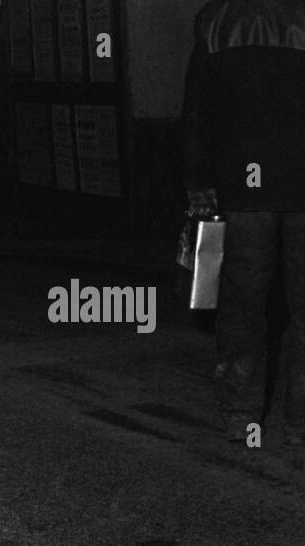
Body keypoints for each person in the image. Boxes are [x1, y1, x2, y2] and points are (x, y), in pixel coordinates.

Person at [182, 0, 305, 443]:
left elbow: (197, 110)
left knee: (243, 303)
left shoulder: (217, 18)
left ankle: (241, 413)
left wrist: (199, 181)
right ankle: (300, 424)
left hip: (242, 186)